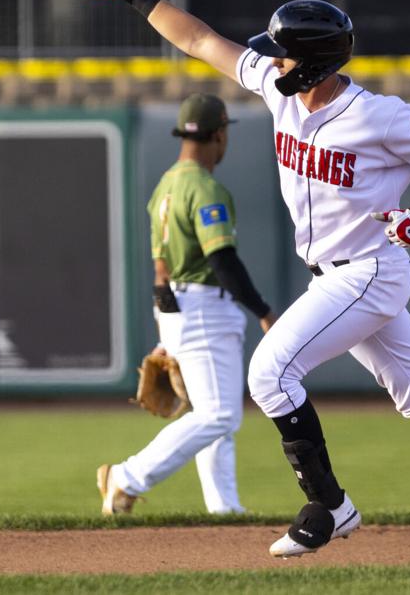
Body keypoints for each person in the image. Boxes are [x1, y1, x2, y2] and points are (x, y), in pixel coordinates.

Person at [76, 0, 410, 565]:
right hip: (332, 273)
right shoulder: (279, 87)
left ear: (316, 64)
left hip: (369, 270)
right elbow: (197, 39)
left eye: (283, 53)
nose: (272, 60)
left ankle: (328, 507)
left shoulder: (377, 115)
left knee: (269, 374)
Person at [97, 92, 278, 516]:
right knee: (218, 415)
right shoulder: (203, 187)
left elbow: (160, 268)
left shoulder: (166, 184)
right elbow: (222, 260)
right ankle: (126, 476)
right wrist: (264, 311)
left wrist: (166, 326)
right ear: (218, 134)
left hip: (176, 302)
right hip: (204, 306)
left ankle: (224, 509)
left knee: (215, 415)